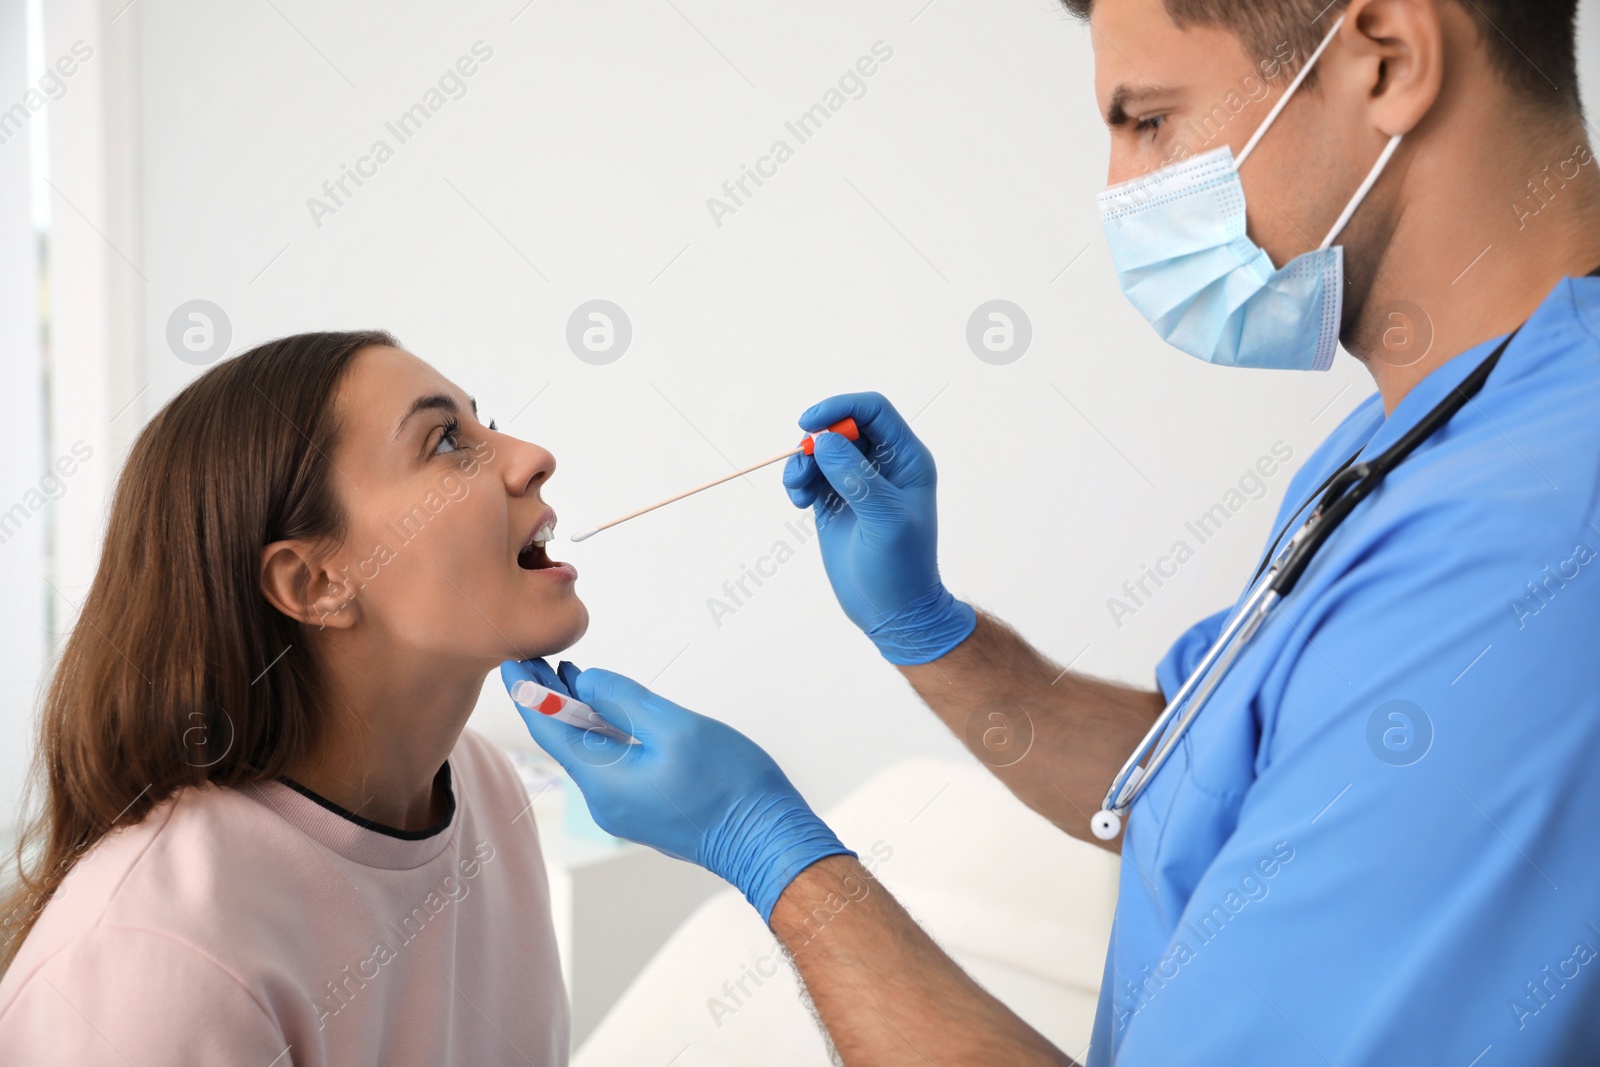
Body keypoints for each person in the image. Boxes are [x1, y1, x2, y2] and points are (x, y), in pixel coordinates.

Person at [506, 0, 1600, 1063]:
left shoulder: (1525, 543)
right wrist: (927, 630)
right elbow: (1208, 777)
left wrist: (768, 848)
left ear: (1386, 58)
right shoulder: (1431, 428)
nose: (1123, 190)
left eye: (1150, 121)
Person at [0, 333, 577, 1064]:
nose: (532, 457)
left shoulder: (488, 788)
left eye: (481, 423)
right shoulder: (154, 956)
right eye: (444, 442)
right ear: (315, 584)